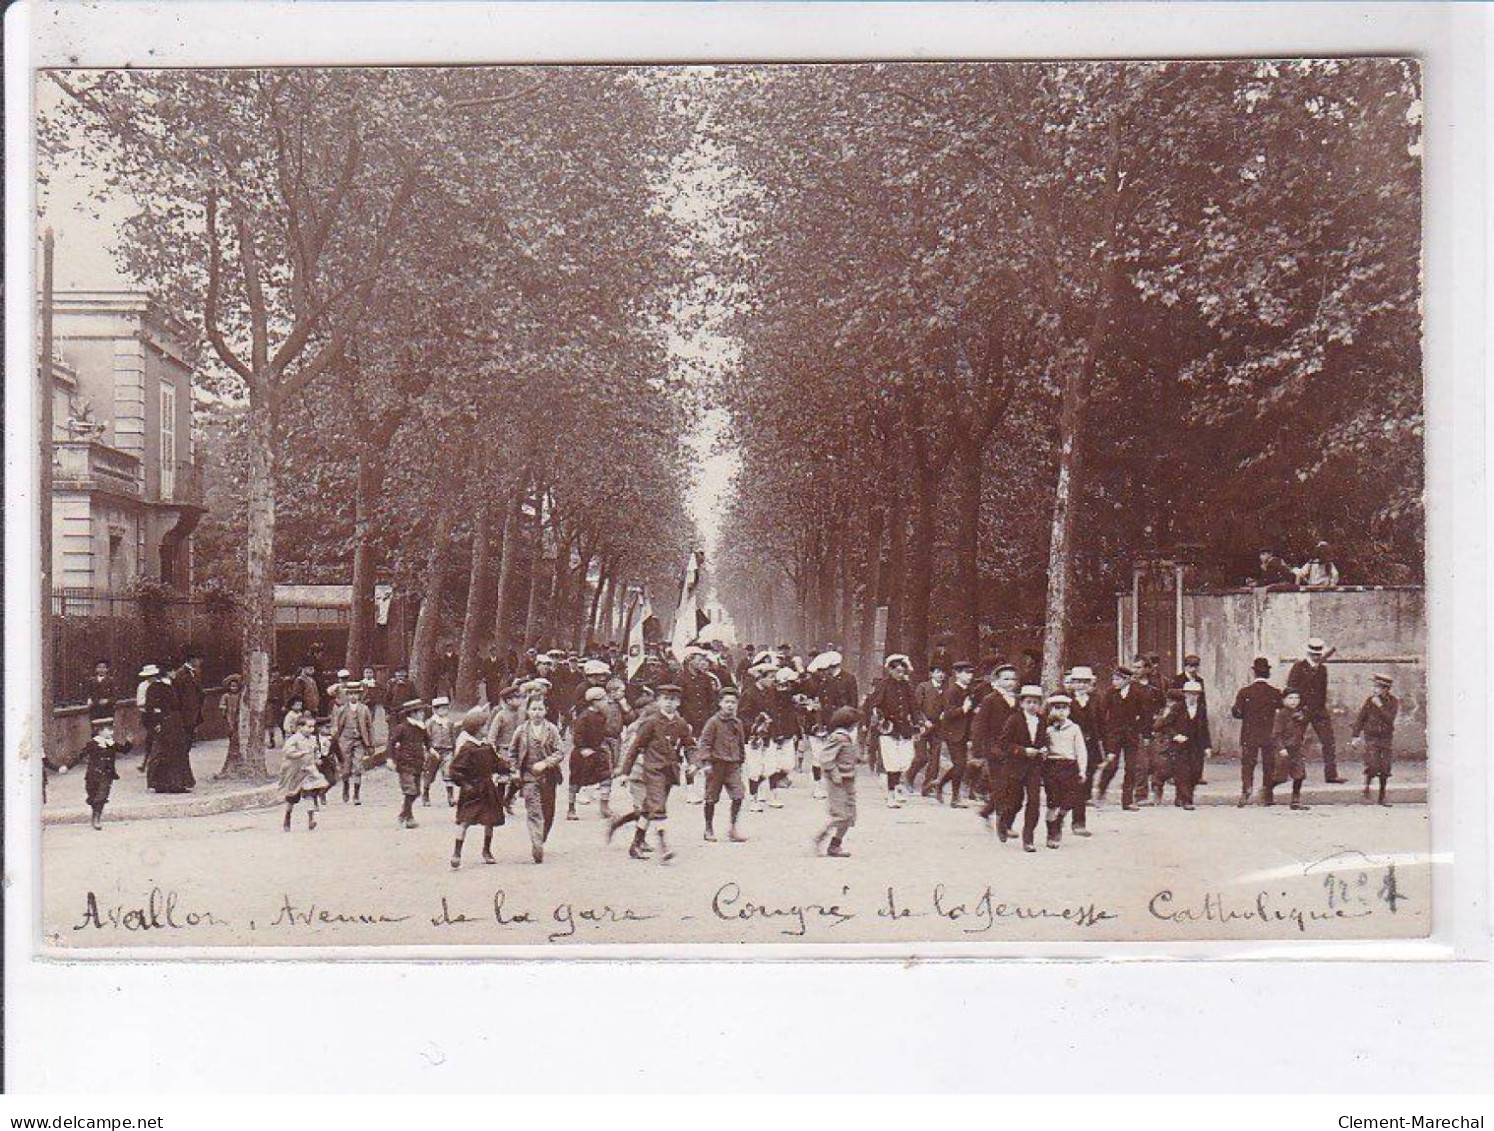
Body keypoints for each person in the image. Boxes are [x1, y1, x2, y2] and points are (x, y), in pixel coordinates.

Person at [613, 684, 692, 862]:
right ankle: (663, 846)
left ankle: (635, 844)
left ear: (678, 702)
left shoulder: (680, 723)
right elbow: (635, 747)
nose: (669, 703)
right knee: (658, 807)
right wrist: (625, 772)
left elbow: (689, 745)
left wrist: (693, 763)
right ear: (658, 701)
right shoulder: (651, 722)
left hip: (670, 771)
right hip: (653, 770)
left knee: (649, 809)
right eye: (666, 699)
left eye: (673, 700)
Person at [448, 707, 507, 869]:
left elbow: (497, 763)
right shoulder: (467, 748)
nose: (487, 729)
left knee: (490, 821)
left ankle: (487, 850)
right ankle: (457, 852)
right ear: (476, 729)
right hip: (472, 790)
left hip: (488, 789)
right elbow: (454, 770)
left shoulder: (487, 747)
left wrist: (508, 767)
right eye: (484, 727)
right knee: (464, 821)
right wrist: (465, 785)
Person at [508, 694, 565, 863]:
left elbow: (560, 751)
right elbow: (512, 753)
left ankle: (541, 837)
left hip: (548, 777)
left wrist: (547, 763)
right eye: (533, 709)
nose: (537, 713)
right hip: (528, 776)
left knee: (548, 812)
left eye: (540, 709)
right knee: (533, 810)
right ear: (527, 711)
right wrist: (515, 770)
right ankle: (536, 844)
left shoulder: (552, 729)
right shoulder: (521, 730)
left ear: (546, 711)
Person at [1286, 637, 1346, 783]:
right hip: (1301, 710)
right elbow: (1291, 689)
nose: (1317, 657)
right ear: (1309, 653)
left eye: (1318, 654)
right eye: (1314, 654)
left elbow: (1322, 693)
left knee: (1329, 741)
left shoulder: (1322, 669)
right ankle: (1291, 773)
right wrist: (1297, 710)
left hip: (1318, 711)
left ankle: (1331, 775)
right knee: (1294, 742)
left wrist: (1318, 709)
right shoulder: (1298, 667)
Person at [997, 686, 1049, 852]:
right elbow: (1003, 743)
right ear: (1022, 703)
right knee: (1014, 801)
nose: (1032, 705)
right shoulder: (1014, 719)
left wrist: (1044, 749)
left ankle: (1028, 839)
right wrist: (1023, 750)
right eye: (1028, 702)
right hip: (1015, 766)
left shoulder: (1042, 720)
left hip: (1034, 767)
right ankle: (1003, 821)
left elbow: (1043, 740)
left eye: (1035, 702)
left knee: (1034, 801)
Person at [866, 654, 921, 807]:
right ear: (890, 670)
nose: (900, 674)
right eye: (897, 671)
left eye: (902, 671)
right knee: (892, 763)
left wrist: (917, 724)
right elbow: (874, 705)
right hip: (888, 729)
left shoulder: (906, 686)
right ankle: (891, 794)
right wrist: (880, 719)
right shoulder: (883, 685)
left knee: (906, 760)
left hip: (905, 729)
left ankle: (896, 786)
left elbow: (913, 707)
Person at [696, 686, 748, 843]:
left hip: (732, 765)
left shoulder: (737, 723)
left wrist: (741, 760)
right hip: (716, 765)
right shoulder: (713, 722)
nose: (730, 705)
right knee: (711, 798)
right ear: (720, 703)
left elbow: (741, 742)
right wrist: (705, 762)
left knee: (738, 795)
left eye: (733, 702)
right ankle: (708, 828)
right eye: (727, 702)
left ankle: (732, 828)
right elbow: (704, 743)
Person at [813, 706, 863, 858]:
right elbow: (826, 758)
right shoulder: (838, 737)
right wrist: (835, 774)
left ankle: (835, 845)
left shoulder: (846, 737)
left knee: (849, 815)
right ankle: (821, 837)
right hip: (838, 782)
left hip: (848, 779)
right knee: (840, 815)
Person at [1231, 657, 1282, 806]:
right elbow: (1281, 710)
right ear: (1268, 674)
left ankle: (1246, 790)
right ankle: (1267, 794)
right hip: (1268, 733)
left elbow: (1237, 713)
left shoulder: (1245, 692)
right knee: (1269, 764)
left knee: (1248, 763)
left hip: (1249, 733)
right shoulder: (1275, 692)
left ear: (1254, 673)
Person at [973, 663, 1020, 822]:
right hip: (994, 748)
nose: (1010, 682)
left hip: (1012, 748)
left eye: (1013, 679)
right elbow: (980, 725)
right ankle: (1002, 820)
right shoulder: (990, 700)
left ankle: (987, 811)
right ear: (997, 681)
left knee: (1010, 785)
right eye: (1006, 679)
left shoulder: (1019, 700)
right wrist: (978, 749)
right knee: (1000, 783)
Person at [1040, 694, 1086, 849]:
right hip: (1052, 766)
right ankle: (1052, 833)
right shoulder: (1046, 728)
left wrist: (1082, 770)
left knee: (1070, 800)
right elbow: (1040, 746)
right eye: (1056, 708)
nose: (1060, 712)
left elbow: (1081, 750)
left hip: (1070, 766)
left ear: (1069, 710)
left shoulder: (1074, 728)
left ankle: (1060, 818)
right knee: (1053, 802)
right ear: (1050, 709)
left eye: (1064, 708)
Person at [1157, 681, 1211, 809]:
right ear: (1185, 694)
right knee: (1183, 772)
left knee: (1195, 772)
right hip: (1180, 745)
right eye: (1190, 694)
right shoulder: (1178, 707)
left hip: (1196, 745)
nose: (1193, 697)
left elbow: (1204, 729)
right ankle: (1187, 800)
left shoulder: (1201, 708)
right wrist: (1175, 735)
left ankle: (1181, 797)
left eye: (1196, 694)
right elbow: (1166, 725)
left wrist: (1207, 746)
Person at [1095, 667, 1142, 809]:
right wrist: (1106, 732)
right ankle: (1101, 790)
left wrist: (1138, 728)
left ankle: (1127, 801)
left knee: (1131, 767)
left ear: (1127, 680)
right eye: (1113, 679)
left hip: (1131, 735)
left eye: (1118, 679)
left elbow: (1144, 713)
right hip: (1114, 735)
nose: (1114, 682)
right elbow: (1102, 713)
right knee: (1112, 765)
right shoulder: (1110, 693)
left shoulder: (1137, 693)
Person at [932, 661, 978, 807]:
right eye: (966, 672)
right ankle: (954, 797)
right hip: (953, 733)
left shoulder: (970, 690)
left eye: (971, 673)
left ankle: (940, 784)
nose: (969, 676)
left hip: (964, 733)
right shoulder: (951, 691)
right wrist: (963, 709)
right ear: (957, 674)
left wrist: (973, 711)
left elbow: (971, 713)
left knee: (961, 765)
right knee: (960, 764)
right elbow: (948, 714)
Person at [1352, 672, 1399, 807]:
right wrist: (1355, 736)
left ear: (1385, 689)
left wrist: (1380, 705)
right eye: (1374, 686)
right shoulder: (1369, 700)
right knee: (1372, 765)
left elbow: (1390, 719)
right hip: (1371, 737)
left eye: (1377, 687)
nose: (1374, 689)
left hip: (1386, 738)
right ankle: (1366, 788)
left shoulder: (1393, 702)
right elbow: (1361, 718)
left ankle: (1382, 796)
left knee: (1384, 768)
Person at [145, 666, 194, 794]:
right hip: (164, 721)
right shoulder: (155, 687)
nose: (175, 673)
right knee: (163, 752)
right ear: (168, 672)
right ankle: (161, 783)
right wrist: (157, 722)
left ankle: (177, 783)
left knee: (178, 751)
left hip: (176, 722)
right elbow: (151, 707)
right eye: (173, 670)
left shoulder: (175, 685)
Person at [1065, 666, 1101, 835]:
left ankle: (1077, 818)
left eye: (1084, 682)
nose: (1080, 685)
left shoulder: (1095, 700)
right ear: (1072, 683)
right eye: (1077, 682)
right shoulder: (1065, 699)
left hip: (1090, 747)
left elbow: (1103, 725)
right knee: (1073, 784)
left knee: (1085, 782)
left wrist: (1108, 749)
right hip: (1069, 747)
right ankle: (1074, 821)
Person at [277, 714, 328, 832]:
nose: (312, 729)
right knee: (292, 797)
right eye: (309, 727)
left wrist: (317, 759)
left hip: (308, 770)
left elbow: (316, 752)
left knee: (310, 793)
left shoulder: (313, 739)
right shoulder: (294, 739)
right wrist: (299, 754)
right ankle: (287, 817)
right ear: (300, 728)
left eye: (313, 727)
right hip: (296, 771)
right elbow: (287, 752)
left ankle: (311, 820)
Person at [568, 686, 611, 821]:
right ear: (595, 701)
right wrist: (582, 748)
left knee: (606, 776)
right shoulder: (584, 717)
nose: (606, 701)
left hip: (597, 751)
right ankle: (571, 808)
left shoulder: (602, 716)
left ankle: (604, 806)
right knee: (575, 780)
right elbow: (578, 735)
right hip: (582, 754)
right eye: (604, 699)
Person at [81, 714, 131, 830]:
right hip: (93, 775)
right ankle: (95, 814)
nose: (112, 733)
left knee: (102, 796)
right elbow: (80, 756)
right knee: (93, 796)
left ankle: (97, 818)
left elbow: (124, 750)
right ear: (99, 731)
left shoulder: (111, 744)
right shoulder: (92, 744)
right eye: (109, 730)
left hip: (107, 774)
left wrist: (129, 742)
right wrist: (66, 766)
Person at [485, 682, 527, 814]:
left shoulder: (523, 713)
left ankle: (508, 799)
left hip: (519, 752)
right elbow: (492, 736)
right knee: (503, 779)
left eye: (520, 697)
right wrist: (493, 753)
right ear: (508, 700)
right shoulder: (501, 715)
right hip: (504, 751)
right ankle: (499, 805)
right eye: (516, 697)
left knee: (519, 779)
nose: (520, 700)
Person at [908, 661, 949, 798]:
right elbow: (916, 707)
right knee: (921, 757)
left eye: (943, 672)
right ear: (931, 674)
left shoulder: (946, 689)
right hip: (922, 726)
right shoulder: (923, 687)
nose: (941, 675)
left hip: (938, 727)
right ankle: (909, 777)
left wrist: (944, 713)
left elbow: (947, 707)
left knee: (935, 758)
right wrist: (924, 721)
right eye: (938, 672)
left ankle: (928, 786)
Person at [330, 681, 374, 805]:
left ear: (360, 695)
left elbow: (370, 727)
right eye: (350, 694)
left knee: (358, 767)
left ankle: (356, 794)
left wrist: (370, 744)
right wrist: (334, 741)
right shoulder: (342, 709)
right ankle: (345, 786)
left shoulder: (364, 709)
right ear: (347, 695)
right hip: (345, 740)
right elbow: (336, 726)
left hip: (359, 741)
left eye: (356, 694)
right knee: (345, 768)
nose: (353, 696)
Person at [389, 699, 430, 829]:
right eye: (420, 712)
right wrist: (390, 759)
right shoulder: (402, 728)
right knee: (410, 790)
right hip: (405, 763)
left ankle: (407, 815)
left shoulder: (421, 727)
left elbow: (427, 741)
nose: (422, 714)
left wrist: (431, 749)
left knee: (416, 791)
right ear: (412, 713)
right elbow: (391, 743)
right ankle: (405, 816)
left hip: (418, 762)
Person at [1269, 687, 1312, 810]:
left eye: (1296, 698)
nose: (1294, 701)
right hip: (1284, 749)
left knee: (1299, 774)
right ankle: (1268, 790)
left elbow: (1303, 731)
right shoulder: (1281, 715)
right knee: (1281, 776)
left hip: (1296, 749)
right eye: (1290, 698)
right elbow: (1276, 734)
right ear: (1283, 700)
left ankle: (1295, 801)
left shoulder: (1300, 714)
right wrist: (1281, 748)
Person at [424, 697, 457, 807]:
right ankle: (425, 794)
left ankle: (450, 796)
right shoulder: (430, 723)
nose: (444, 711)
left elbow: (453, 737)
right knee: (430, 773)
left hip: (447, 751)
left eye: (446, 709)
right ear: (435, 710)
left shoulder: (449, 723)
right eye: (442, 709)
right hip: (434, 751)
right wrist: (429, 750)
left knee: (448, 772)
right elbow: (426, 738)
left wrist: (454, 750)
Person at [173, 652, 205, 749]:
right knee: (185, 740)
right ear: (191, 659)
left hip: (193, 710)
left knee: (189, 739)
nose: (201, 662)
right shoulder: (181, 673)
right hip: (185, 711)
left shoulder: (195, 672)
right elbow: (178, 693)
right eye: (199, 659)